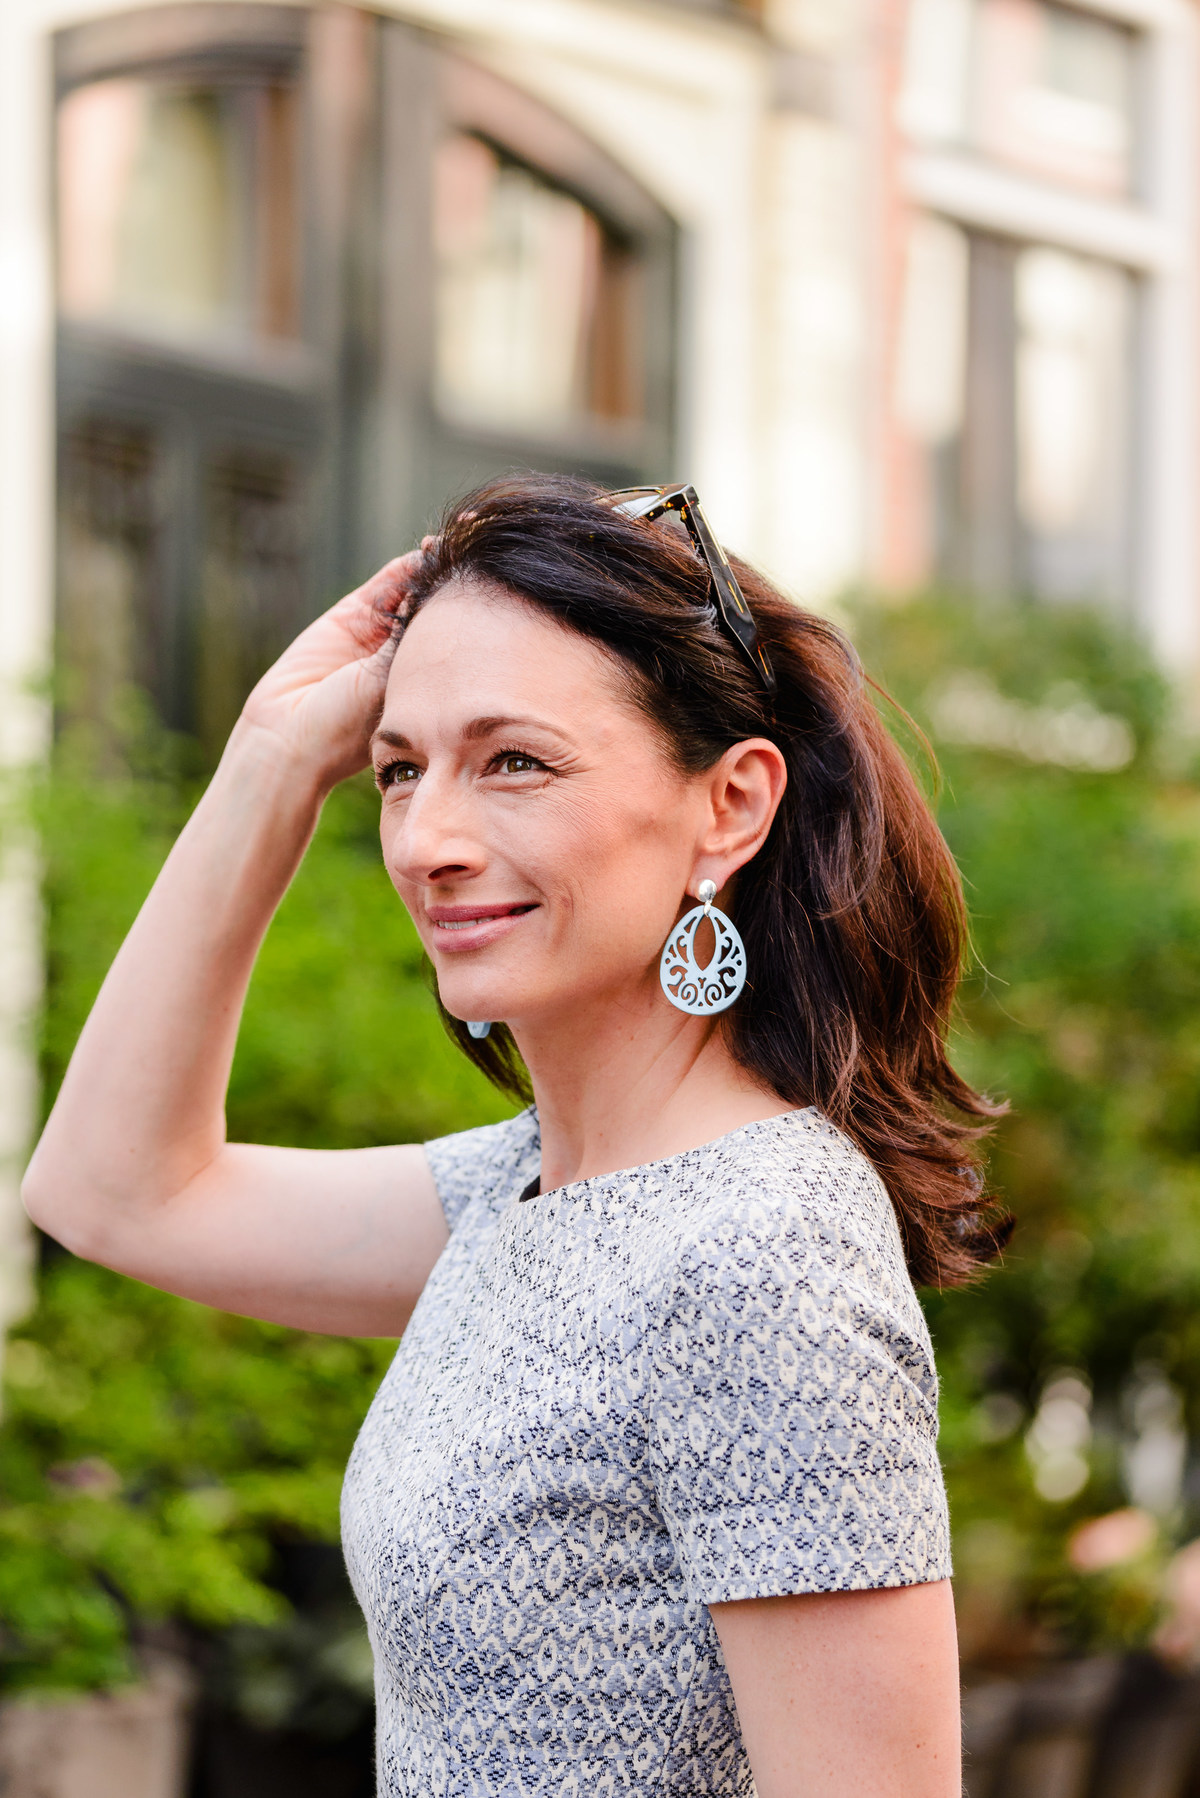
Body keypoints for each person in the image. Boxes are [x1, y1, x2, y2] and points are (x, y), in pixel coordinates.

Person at [23, 474, 1008, 1797]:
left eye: (516, 761)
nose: (428, 838)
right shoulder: (525, 1191)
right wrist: (270, 757)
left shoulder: (759, 1251)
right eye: (397, 768)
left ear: (730, 805)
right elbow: (110, 1191)